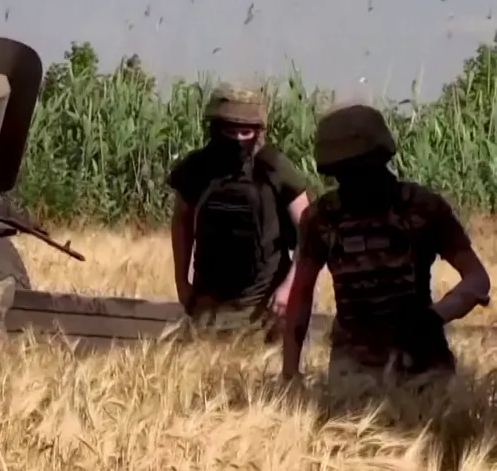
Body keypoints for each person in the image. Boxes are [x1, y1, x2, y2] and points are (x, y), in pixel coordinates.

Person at [281, 103, 491, 384]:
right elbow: (301, 297)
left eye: (363, 169)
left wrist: (436, 316)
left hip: (423, 365)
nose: (355, 180)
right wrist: (290, 374)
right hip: (352, 371)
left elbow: (477, 278)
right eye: (345, 172)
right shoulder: (321, 218)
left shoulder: (422, 208)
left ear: (380, 159)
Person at [167, 84, 311, 334]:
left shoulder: (274, 167)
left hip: (264, 301)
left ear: (259, 131)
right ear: (215, 128)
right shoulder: (198, 167)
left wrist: (290, 288)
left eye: (245, 132)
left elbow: (310, 231)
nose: (237, 139)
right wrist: (182, 282)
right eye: (230, 131)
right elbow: (181, 221)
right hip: (208, 301)